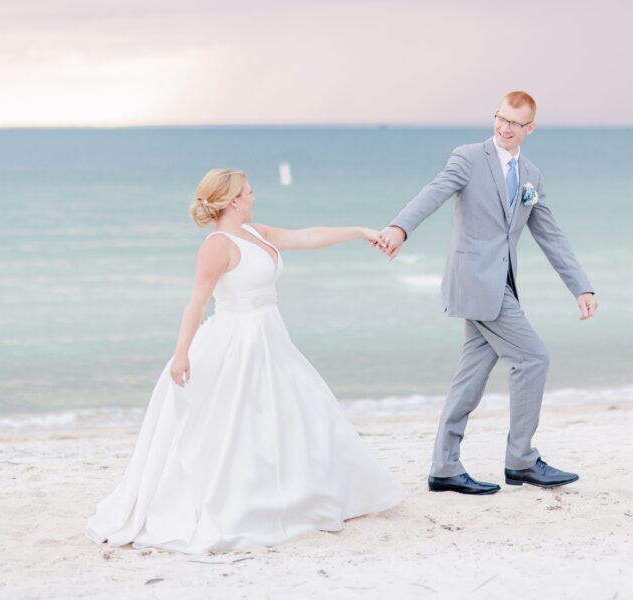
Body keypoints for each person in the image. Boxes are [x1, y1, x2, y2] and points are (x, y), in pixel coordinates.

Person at [86, 168, 406, 553]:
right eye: (250, 192)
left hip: (270, 337)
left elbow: (307, 236)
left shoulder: (255, 233)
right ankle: (245, 504)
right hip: (235, 341)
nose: (254, 197)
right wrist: (182, 352)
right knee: (236, 423)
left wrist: (360, 231)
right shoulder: (217, 245)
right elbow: (198, 301)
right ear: (234, 200)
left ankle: (304, 494)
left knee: (302, 410)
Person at [377, 91, 598, 494]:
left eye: (515, 123)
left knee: (471, 377)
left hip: (502, 284)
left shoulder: (530, 173)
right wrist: (400, 227)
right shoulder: (468, 157)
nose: (504, 127)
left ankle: (444, 467)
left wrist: (580, 286)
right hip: (476, 281)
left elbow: (549, 234)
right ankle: (522, 460)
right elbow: (435, 191)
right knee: (533, 358)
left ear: (530, 128)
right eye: (500, 118)